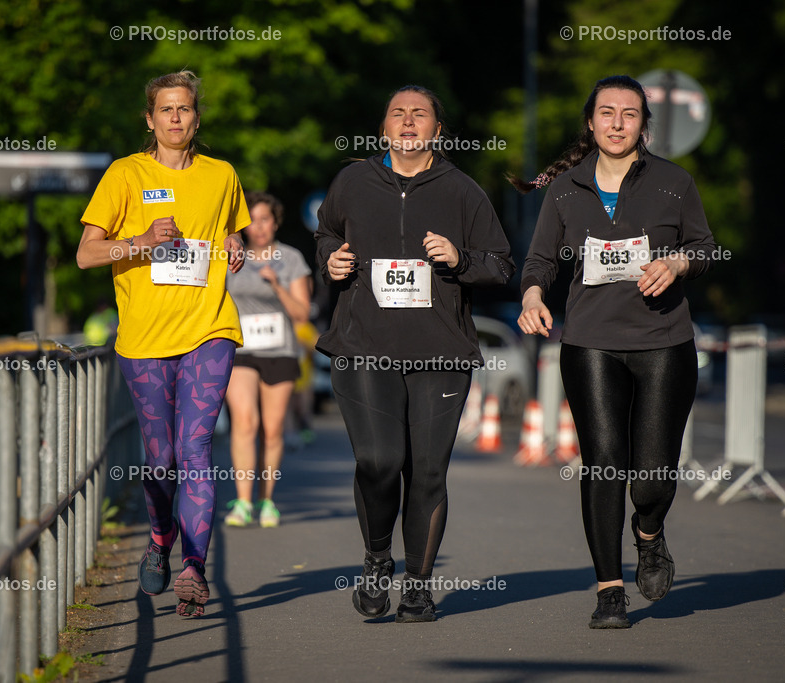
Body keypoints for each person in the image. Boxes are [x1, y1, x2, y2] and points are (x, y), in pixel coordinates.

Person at [515, 75, 717, 628]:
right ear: (591, 122)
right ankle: (609, 591)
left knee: (651, 477)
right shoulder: (565, 190)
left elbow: (705, 248)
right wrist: (533, 294)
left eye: (629, 114)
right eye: (607, 112)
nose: (617, 123)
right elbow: (539, 262)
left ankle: (648, 534)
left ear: (643, 124)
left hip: (663, 343)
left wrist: (676, 263)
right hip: (590, 344)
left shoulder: (674, 183)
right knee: (604, 465)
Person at [316, 85, 515, 622]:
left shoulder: (463, 191)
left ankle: (420, 586)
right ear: (383, 129)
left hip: (439, 352)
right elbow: (327, 234)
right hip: (364, 347)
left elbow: (500, 264)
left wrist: (459, 258)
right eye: (397, 114)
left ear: (437, 132)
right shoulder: (353, 181)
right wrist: (331, 259)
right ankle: (378, 558)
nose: (407, 122)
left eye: (419, 115)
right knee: (379, 461)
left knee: (427, 472)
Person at [76, 70, 249, 617]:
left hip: (209, 326)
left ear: (197, 119)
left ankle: (195, 569)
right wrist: (143, 242)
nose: (176, 118)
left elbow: (229, 230)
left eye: (185, 109)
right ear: (150, 120)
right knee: (160, 458)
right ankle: (159, 539)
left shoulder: (222, 175)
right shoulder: (125, 174)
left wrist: (235, 244)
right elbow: (86, 254)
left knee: (196, 450)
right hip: (145, 336)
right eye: (165, 110)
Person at [223, 192, 312, 528]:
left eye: (265, 220)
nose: (258, 227)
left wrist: (277, 286)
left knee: (273, 430)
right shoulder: (232, 256)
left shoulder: (290, 259)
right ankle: (243, 502)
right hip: (241, 350)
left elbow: (302, 314)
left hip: (280, 350)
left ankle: (267, 500)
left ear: (276, 222)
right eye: (252, 220)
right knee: (245, 422)